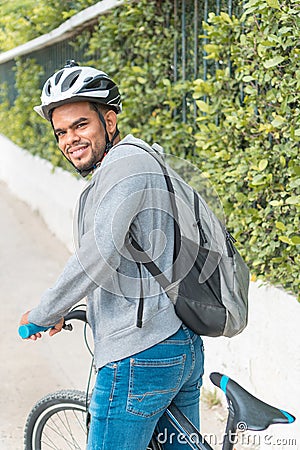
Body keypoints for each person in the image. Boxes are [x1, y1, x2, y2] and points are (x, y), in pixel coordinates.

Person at [20, 61, 204, 450]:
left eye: (81, 125)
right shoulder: (141, 157)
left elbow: (97, 254)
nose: (70, 139)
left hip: (139, 355)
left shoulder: (125, 170)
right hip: (177, 341)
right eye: (61, 132)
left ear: (109, 119)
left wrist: (44, 313)